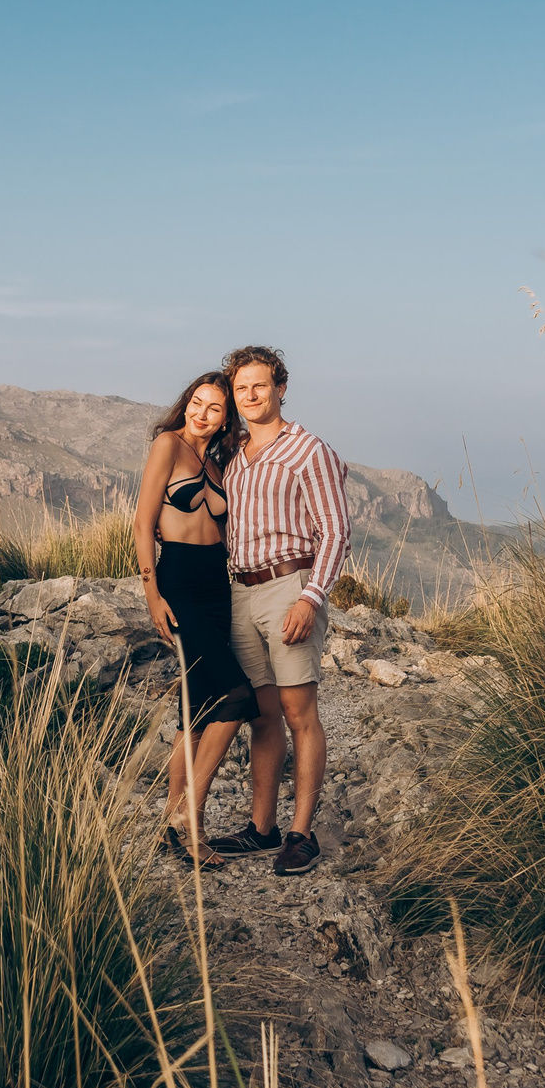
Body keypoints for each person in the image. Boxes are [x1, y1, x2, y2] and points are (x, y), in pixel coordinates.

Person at [210, 344, 349, 874]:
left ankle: (301, 833)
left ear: (280, 388)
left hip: (288, 587)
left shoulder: (308, 450)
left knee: (298, 714)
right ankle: (261, 828)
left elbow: (336, 532)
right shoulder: (235, 456)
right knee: (262, 716)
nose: (249, 395)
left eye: (260, 385)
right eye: (241, 388)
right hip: (239, 592)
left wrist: (310, 598)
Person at [134, 370, 258, 867]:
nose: (201, 413)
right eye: (196, 402)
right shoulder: (168, 444)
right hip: (180, 581)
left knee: (198, 707)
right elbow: (143, 523)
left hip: (216, 585)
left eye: (213, 408)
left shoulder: (219, 460)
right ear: (186, 403)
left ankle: (170, 822)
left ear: (225, 417)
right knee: (237, 695)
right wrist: (152, 594)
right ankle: (191, 816)